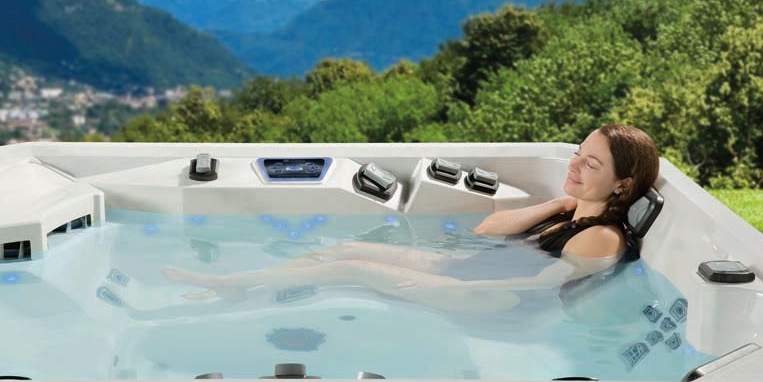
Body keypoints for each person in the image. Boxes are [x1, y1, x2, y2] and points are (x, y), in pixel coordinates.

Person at [161, 124, 660, 313]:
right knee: (342, 248)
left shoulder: (599, 237)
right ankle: (240, 283)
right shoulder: (571, 211)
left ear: (621, 184)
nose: (573, 166)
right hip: (476, 270)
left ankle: (229, 283)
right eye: (577, 153)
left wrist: (446, 291)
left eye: (589, 164)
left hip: (498, 299)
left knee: (350, 268)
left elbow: (543, 289)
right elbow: (487, 230)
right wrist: (558, 202)